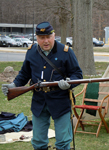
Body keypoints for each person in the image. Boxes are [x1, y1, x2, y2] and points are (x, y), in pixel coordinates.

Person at [1, 21, 83, 150]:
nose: (46, 41)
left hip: (60, 102)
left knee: (62, 141)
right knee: (38, 141)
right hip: (39, 102)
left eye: (48, 37)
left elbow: (77, 75)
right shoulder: (31, 51)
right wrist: (14, 85)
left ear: (54, 36)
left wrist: (68, 83)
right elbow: (24, 74)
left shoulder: (66, 51)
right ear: (37, 38)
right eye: (42, 38)